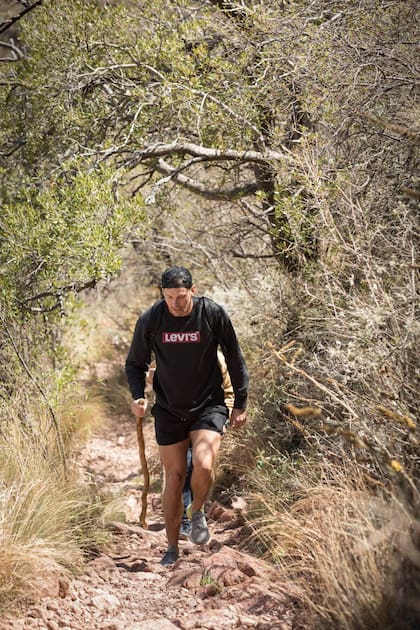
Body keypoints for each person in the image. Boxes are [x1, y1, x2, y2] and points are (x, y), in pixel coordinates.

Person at [125, 266, 248, 566]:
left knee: (204, 465)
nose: (175, 304)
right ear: (162, 294)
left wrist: (240, 403)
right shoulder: (152, 319)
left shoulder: (212, 313)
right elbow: (135, 363)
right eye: (169, 297)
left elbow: (234, 356)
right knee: (175, 476)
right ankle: (171, 548)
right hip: (168, 408)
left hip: (208, 404)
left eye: (180, 297)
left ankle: (197, 513)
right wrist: (138, 395)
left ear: (193, 290)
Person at [179, 351, 234, 540]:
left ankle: (195, 510)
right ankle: (186, 522)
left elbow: (229, 390)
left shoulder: (216, 357)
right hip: (176, 418)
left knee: (200, 466)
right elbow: (152, 380)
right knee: (184, 466)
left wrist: (224, 419)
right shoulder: (168, 349)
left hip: (208, 418)